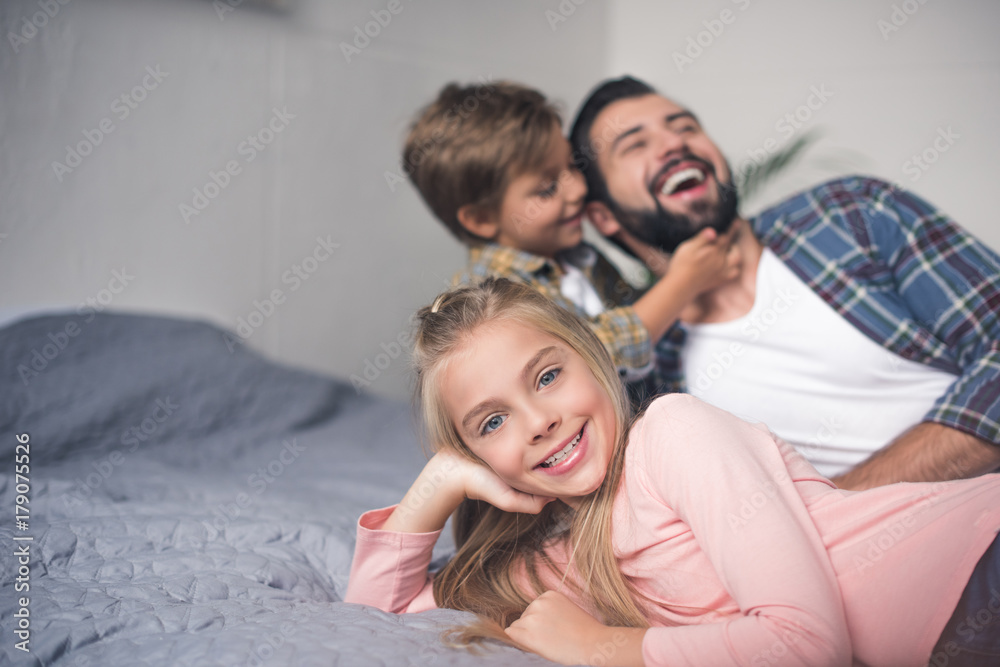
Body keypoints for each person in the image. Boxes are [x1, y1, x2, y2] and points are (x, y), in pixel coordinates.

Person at [345, 278, 1000, 667]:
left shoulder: (673, 434)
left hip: (976, 557)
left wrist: (604, 647)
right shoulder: (551, 560)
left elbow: (807, 645)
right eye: (491, 422)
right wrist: (436, 483)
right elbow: (374, 613)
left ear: (594, 357)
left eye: (548, 376)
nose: (539, 421)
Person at [568, 76, 1000, 489]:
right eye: (636, 145)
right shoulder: (654, 377)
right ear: (603, 216)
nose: (675, 143)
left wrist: (850, 499)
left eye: (686, 127)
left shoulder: (851, 214)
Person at [402, 81, 739, 399]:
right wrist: (684, 282)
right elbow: (587, 356)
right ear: (481, 219)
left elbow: (630, 314)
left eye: (572, 166)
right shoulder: (491, 300)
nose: (578, 190)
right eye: (547, 188)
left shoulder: (576, 258)